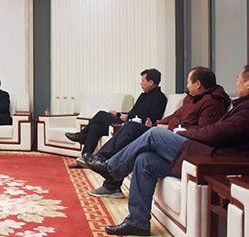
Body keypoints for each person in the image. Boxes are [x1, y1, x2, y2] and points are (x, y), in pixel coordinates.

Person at [84, 64, 249, 236]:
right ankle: (137, 222)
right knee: (145, 159)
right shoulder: (235, 105)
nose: (236, 80)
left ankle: (111, 169)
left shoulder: (241, 108)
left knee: (154, 134)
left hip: (211, 157)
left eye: (239, 77)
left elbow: (216, 133)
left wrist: (182, 133)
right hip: (204, 151)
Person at [86, 66, 230, 198]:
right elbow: (175, 116)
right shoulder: (191, 99)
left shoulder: (213, 103)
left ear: (197, 84)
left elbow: (203, 132)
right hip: (170, 132)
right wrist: (159, 124)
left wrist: (169, 129)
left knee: (134, 130)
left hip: (182, 140)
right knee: (131, 129)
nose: (187, 86)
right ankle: (107, 174)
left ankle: (104, 164)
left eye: (188, 82)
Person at [65, 68, 167, 167]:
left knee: (101, 114)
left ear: (151, 82)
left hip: (134, 127)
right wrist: (118, 114)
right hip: (128, 122)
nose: (141, 83)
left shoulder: (160, 98)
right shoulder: (144, 95)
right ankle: (84, 160)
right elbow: (132, 112)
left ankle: (82, 136)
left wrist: (128, 117)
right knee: (96, 127)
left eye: (143, 80)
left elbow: (153, 118)